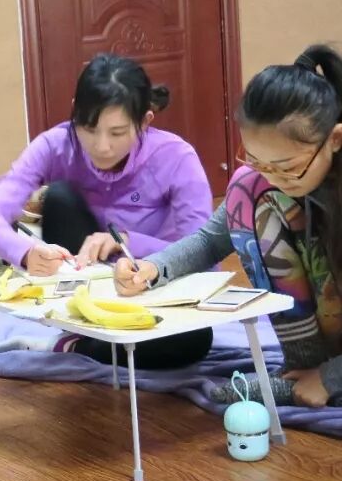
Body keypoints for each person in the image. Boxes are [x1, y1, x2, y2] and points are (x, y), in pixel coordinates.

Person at [116, 44, 342, 408]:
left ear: (335, 140)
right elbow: (210, 241)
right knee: (246, 190)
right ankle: (301, 369)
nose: (273, 176)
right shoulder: (263, 183)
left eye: (287, 167)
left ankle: (324, 378)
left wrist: (331, 378)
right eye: (257, 160)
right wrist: (153, 268)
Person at [0, 53, 214, 369]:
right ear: (75, 111)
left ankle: (72, 346)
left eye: (117, 133)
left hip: (149, 284)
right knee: (60, 197)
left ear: (144, 122)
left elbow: (202, 251)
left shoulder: (176, 156)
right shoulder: (57, 145)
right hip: (85, 285)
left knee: (195, 339)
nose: (102, 146)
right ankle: (81, 334)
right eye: (88, 127)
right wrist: (26, 253)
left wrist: (126, 242)